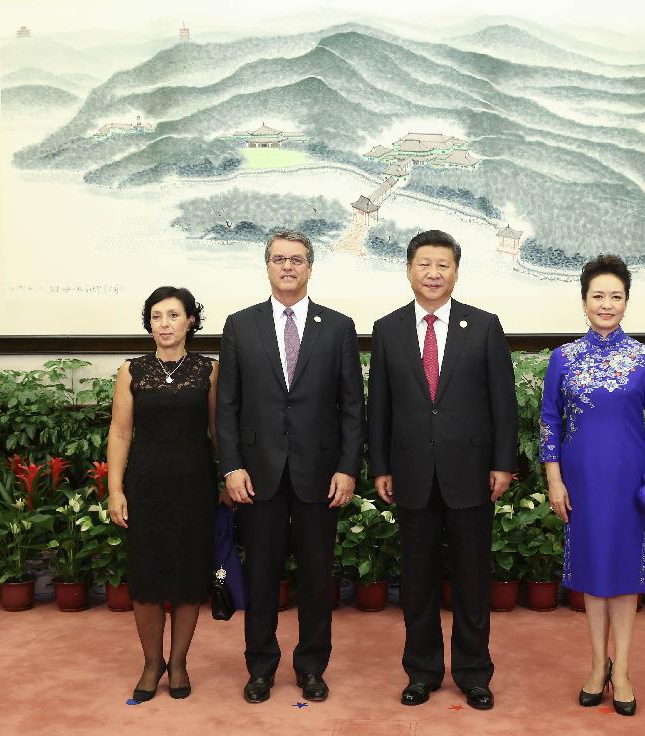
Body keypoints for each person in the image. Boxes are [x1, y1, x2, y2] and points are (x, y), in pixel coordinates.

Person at [368, 229, 518, 711]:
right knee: (417, 580)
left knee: (473, 580)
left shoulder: (485, 325)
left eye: (443, 265)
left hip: (472, 472)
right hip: (411, 472)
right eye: (424, 265)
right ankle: (423, 670)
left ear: (456, 271)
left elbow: (504, 404)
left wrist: (502, 463)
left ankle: (474, 673)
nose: (434, 274)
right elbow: (380, 410)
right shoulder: (388, 329)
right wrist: (381, 466)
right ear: (409, 270)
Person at [216, 227, 365, 704]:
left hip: (320, 474)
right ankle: (260, 668)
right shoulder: (241, 325)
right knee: (261, 576)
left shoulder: (338, 326)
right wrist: (232, 466)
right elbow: (228, 406)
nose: (287, 266)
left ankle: (311, 667)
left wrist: (347, 467)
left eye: (296, 259)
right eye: (279, 259)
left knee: (317, 577)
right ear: (267, 267)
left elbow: (351, 406)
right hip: (256, 474)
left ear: (309, 267)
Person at [539, 254, 645, 717]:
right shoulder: (563, 358)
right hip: (580, 482)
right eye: (597, 295)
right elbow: (549, 425)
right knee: (592, 577)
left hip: (627, 482)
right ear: (583, 301)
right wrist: (554, 481)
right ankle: (598, 665)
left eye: (615, 296)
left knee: (623, 578)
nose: (606, 304)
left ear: (626, 302)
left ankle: (622, 671)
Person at [108, 286, 219, 702]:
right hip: (145, 488)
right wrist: (115, 489)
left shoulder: (209, 370)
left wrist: (228, 478)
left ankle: (179, 663)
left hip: (194, 488)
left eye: (173, 315)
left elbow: (216, 432)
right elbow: (120, 432)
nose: (164, 324)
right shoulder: (131, 370)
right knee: (147, 579)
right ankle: (152, 663)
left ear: (191, 320)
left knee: (190, 578)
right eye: (156, 317)